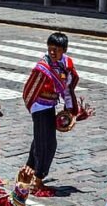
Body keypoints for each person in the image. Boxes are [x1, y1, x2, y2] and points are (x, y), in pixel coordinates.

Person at [22, 32, 79, 195]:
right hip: (40, 106)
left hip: (51, 105)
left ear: (64, 50)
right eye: (50, 49)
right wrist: (33, 107)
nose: (52, 52)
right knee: (47, 143)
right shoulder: (42, 67)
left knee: (40, 138)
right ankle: (38, 178)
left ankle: (29, 170)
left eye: (57, 49)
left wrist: (70, 109)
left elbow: (68, 87)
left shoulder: (66, 64)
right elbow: (30, 89)